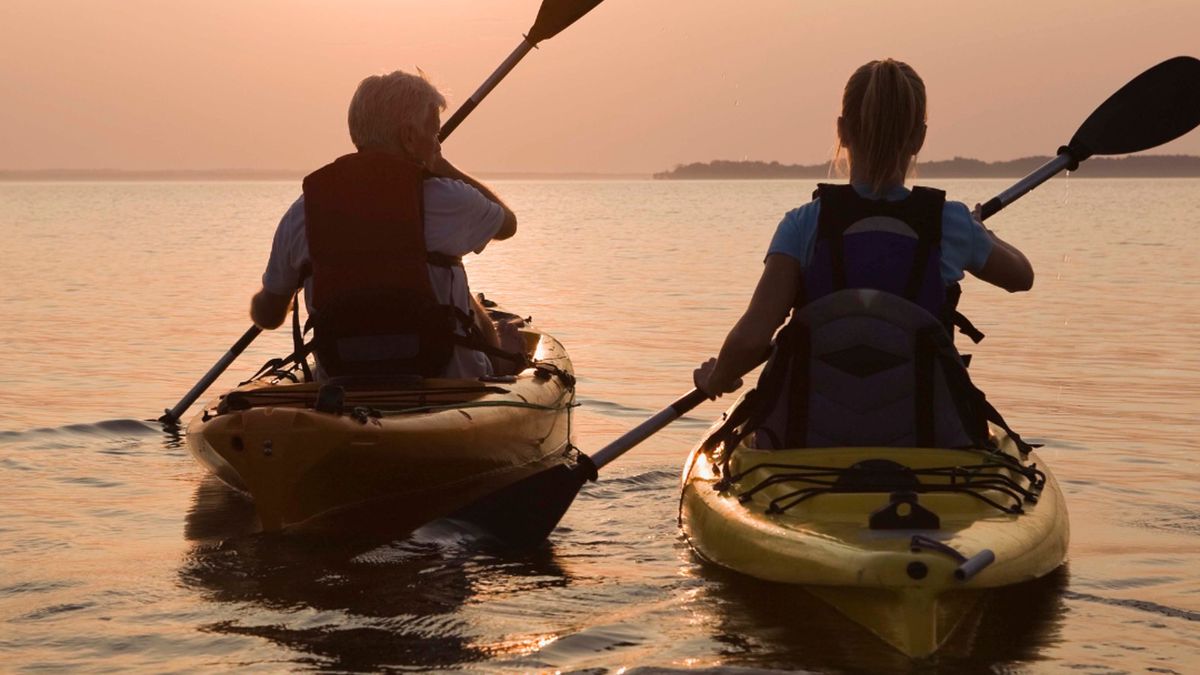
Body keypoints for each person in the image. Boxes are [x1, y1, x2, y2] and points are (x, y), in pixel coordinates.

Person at [693, 59, 1035, 450]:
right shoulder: (950, 223)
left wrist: (718, 378)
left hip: (809, 438)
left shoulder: (803, 224)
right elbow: (1022, 277)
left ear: (842, 131)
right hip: (926, 439)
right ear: (919, 138)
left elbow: (752, 339)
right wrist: (982, 233)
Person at [248, 70, 521, 380]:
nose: (437, 144)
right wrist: (442, 166)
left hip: (343, 386)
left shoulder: (303, 213)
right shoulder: (450, 199)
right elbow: (507, 224)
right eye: (435, 134)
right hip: (448, 385)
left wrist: (275, 293)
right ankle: (501, 359)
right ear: (409, 137)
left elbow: (268, 316)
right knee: (499, 331)